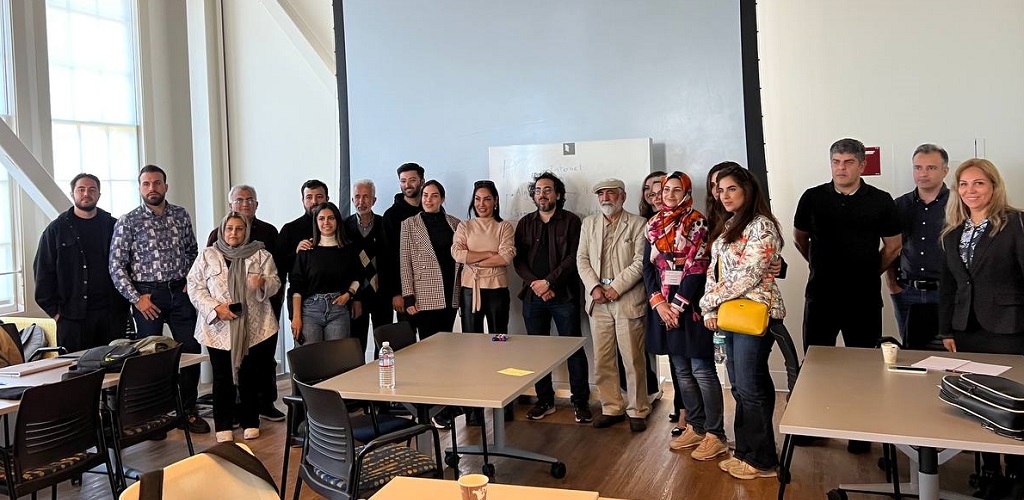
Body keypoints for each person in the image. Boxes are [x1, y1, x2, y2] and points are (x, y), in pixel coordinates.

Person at [793, 138, 901, 454]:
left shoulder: (881, 200)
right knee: (815, 365)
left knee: (864, 368)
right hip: (821, 295)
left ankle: (860, 431)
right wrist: (819, 264)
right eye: (836, 162)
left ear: (861, 165)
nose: (841, 168)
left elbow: (893, 246)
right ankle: (813, 426)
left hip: (863, 299)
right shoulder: (812, 198)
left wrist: (869, 272)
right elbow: (801, 239)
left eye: (848, 162)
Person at [939, 158, 1024, 497]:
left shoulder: (1015, 224)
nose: (970, 191)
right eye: (964, 185)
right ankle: (989, 472)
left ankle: (1017, 475)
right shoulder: (952, 232)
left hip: (1009, 327)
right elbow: (948, 287)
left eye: (978, 184)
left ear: (993, 187)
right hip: (966, 329)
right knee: (979, 400)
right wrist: (946, 330)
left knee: (1011, 400)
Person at [700, 165, 786, 480]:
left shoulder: (762, 226)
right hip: (730, 315)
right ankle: (746, 452)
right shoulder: (729, 224)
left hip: (754, 313)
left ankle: (763, 461)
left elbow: (748, 275)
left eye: (730, 188)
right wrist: (711, 311)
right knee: (740, 386)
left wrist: (707, 302)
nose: (723, 195)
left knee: (750, 387)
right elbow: (716, 271)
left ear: (747, 190)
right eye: (718, 189)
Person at [109, 165, 209, 434]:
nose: (151, 188)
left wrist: (190, 279)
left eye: (156, 183)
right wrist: (136, 298)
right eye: (145, 184)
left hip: (180, 293)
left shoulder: (180, 215)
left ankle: (187, 410)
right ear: (140, 188)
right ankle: (153, 417)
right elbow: (116, 265)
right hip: (147, 296)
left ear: (166, 186)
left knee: (191, 351)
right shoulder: (128, 221)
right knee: (149, 359)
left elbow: (192, 250)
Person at [642, 171, 726, 461]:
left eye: (677, 190)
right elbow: (648, 268)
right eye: (666, 190)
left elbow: (697, 268)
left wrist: (676, 306)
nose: (670, 196)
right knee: (681, 371)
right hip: (663, 307)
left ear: (687, 193)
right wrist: (659, 304)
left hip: (691, 307)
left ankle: (716, 433)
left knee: (702, 370)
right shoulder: (653, 224)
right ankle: (696, 426)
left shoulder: (698, 222)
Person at [188, 213, 281, 443]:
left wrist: (263, 283)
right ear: (222, 230)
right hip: (218, 328)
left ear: (246, 231)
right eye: (229, 228)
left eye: (239, 229)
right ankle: (223, 424)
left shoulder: (261, 254)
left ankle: (251, 421)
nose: (234, 233)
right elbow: (195, 287)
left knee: (250, 375)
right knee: (222, 377)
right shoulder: (208, 255)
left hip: (255, 327)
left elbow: (276, 282)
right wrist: (215, 308)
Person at [513, 172, 591, 424]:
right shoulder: (525, 223)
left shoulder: (571, 222)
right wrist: (536, 284)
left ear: (557, 194)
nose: (542, 194)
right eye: (537, 190)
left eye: (547, 190)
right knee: (538, 351)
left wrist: (549, 282)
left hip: (563, 294)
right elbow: (519, 259)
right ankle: (544, 400)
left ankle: (580, 402)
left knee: (573, 350)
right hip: (533, 296)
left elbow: (573, 258)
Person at [205, 185, 286, 422]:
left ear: (257, 204)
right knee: (229, 365)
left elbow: (278, 272)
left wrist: (266, 288)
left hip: (263, 307)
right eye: (239, 200)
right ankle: (236, 409)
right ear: (230, 205)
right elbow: (205, 278)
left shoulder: (269, 233)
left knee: (262, 360)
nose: (245, 204)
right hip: (226, 315)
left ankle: (264, 403)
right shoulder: (215, 236)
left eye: (250, 200)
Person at [577, 178, 651, 432]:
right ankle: (611, 407)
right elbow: (582, 259)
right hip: (598, 302)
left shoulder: (640, 224)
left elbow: (641, 262)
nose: (605, 198)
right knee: (603, 359)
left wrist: (615, 287)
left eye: (611, 193)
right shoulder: (589, 223)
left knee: (632, 358)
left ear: (622, 196)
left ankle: (638, 409)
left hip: (626, 299)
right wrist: (595, 288)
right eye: (601, 194)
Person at [34, 173, 130, 353]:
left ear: (99, 195)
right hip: (72, 319)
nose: (87, 193)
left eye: (92, 189)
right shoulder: (56, 229)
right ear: (73, 194)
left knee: (113, 371)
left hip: (111, 315)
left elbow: (129, 264)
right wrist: (55, 313)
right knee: (76, 372)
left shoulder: (113, 226)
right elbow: (42, 272)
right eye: (81, 189)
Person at [886, 144, 949, 344]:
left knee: (950, 353)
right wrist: (892, 285)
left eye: (931, 168)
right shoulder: (899, 205)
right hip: (907, 291)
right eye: (918, 167)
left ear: (945, 171)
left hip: (947, 293)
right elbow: (891, 247)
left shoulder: (959, 204)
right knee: (912, 354)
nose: (923, 173)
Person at [288, 202, 362, 344]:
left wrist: (349, 294)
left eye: (331, 218)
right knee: (310, 360)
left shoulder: (348, 248)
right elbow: (296, 286)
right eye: (321, 219)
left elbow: (358, 276)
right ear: (316, 222)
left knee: (336, 361)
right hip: (310, 311)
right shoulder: (306, 250)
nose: (326, 222)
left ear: (337, 220)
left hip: (338, 310)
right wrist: (296, 317)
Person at [400, 180, 461, 340]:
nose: (428, 200)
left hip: (450, 290)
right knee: (428, 343)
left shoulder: (455, 223)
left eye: (434, 196)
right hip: (424, 293)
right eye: (425, 195)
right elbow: (405, 263)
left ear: (442, 199)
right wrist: (408, 296)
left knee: (448, 341)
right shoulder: (409, 224)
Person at [452, 180, 515, 335]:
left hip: (497, 289)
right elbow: (457, 254)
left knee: (499, 338)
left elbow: (505, 258)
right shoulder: (464, 226)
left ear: (495, 200)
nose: (481, 204)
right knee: (471, 339)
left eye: (487, 199)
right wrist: (488, 254)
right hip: (470, 289)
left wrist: (472, 260)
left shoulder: (504, 226)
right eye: (477, 199)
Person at [344, 179, 392, 357]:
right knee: (356, 344)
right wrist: (353, 296)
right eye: (357, 197)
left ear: (374, 200)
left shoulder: (384, 224)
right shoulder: (343, 227)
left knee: (383, 343)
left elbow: (390, 260)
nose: (361, 201)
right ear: (352, 200)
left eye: (366, 197)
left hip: (382, 294)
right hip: (356, 296)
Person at [278, 180, 329, 321]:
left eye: (319, 197)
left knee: (337, 344)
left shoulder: (339, 228)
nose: (314, 201)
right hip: (300, 298)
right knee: (306, 343)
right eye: (309, 197)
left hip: (335, 302)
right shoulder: (289, 229)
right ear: (302, 200)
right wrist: (296, 252)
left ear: (327, 199)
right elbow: (279, 266)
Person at [384, 163, 426, 322]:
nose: (407, 185)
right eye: (403, 181)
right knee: (406, 341)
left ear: (422, 181)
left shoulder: (431, 210)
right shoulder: (391, 216)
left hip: (429, 289)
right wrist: (396, 292)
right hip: (404, 292)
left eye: (412, 180)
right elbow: (387, 256)